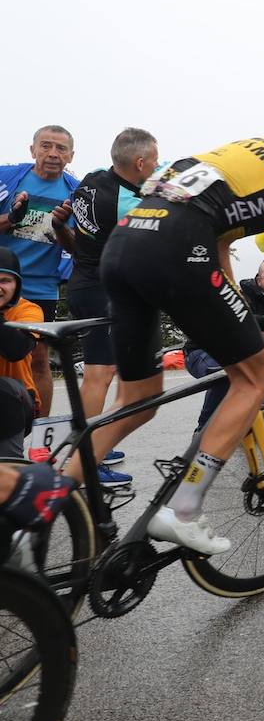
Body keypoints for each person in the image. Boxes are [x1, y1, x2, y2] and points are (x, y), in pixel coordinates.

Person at [88, 82, 264, 555]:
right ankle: (183, 510)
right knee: (256, 377)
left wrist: (236, 313)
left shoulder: (256, 154)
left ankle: (44, 500)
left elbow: (220, 242)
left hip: (124, 248)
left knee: (138, 397)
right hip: (177, 250)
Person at [66, 127, 160, 484]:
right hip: (101, 288)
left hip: (84, 280)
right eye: (152, 161)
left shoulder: (92, 180)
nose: (156, 166)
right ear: (138, 163)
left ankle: (97, 439)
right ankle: (86, 457)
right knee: (100, 373)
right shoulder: (127, 203)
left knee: (109, 368)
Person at [0, 126, 80, 417]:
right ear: (32, 149)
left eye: (61, 149)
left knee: (38, 359)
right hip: (2, 281)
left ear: (71, 156)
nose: (53, 154)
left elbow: (77, 247)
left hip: (41, 286)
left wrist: (60, 227)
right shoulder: (7, 178)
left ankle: (39, 436)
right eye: (46, 146)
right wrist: (12, 218)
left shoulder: (75, 192)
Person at [185, 258, 264, 431]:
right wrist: (258, 322)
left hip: (242, 357)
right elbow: (229, 334)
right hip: (203, 353)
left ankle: (244, 420)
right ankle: (204, 429)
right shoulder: (242, 297)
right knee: (229, 370)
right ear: (259, 280)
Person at [0, 248, 43, 460]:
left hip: (16, 401)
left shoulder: (29, 311)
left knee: (3, 389)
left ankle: (10, 467)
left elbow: (15, 349)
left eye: (5, 280)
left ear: (17, 285)